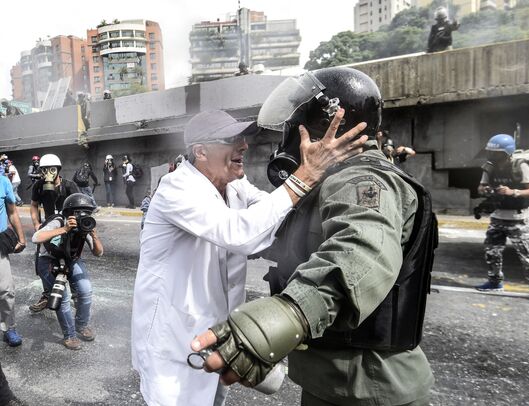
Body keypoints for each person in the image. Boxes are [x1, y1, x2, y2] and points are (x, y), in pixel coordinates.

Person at [192, 67, 437, 406]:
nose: (291, 135)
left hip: (364, 386)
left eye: (297, 123)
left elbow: (359, 254)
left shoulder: (360, 181)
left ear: (329, 126)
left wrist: (279, 321)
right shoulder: (339, 179)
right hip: (344, 382)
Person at [131, 108, 368, 406]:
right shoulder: (176, 187)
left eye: (243, 138)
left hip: (217, 337)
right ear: (201, 152)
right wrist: (307, 173)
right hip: (174, 343)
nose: (244, 145)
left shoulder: (234, 184)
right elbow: (241, 233)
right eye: (232, 139)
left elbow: (273, 214)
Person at [476, 134, 529, 304]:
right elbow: (480, 187)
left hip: (518, 218)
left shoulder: (520, 166)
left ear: (507, 153)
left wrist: (512, 192)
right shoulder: (489, 167)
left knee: (527, 256)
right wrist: (485, 190)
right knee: (492, 252)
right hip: (497, 217)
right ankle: (495, 282)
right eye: (491, 152)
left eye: (497, 153)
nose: (492, 156)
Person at [32, 193, 103, 350]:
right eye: (79, 212)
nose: (83, 216)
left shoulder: (84, 227)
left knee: (85, 290)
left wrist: (94, 236)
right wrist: (65, 229)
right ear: (69, 213)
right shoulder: (58, 221)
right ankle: (69, 335)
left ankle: (81, 325)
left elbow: (99, 253)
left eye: (87, 212)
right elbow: (36, 237)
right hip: (49, 259)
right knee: (62, 298)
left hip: (71, 259)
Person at [28, 154, 80, 313]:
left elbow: (79, 206)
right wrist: (37, 224)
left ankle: (77, 295)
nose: (47, 173)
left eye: (51, 169)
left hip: (68, 228)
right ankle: (47, 294)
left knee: (71, 259)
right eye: (44, 170)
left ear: (58, 170)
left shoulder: (70, 186)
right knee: (43, 261)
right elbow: (34, 205)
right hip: (49, 229)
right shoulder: (39, 186)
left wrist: (74, 226)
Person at [0, 172, 26, 347]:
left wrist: (21, 238)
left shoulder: (2, 181)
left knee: (6, 290)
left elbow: (12, 212)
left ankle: (9, 327)